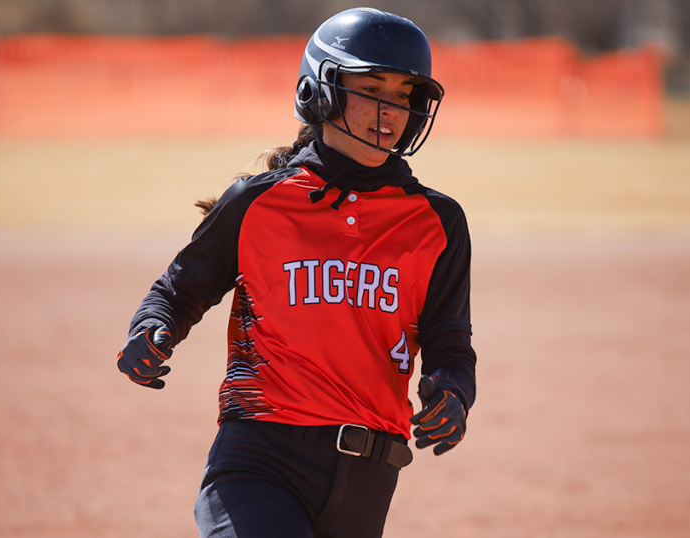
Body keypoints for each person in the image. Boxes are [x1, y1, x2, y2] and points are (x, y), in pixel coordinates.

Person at [116, 7, 476, 538]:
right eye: (370, 86)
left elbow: (449, 340)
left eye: (403, 95)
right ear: (320, 90)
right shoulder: (257, 202)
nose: (389, 108)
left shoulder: (438, 221)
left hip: (371, 474)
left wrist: (452, 392)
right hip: (261, 459)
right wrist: (151, 329)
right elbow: (178, 290)